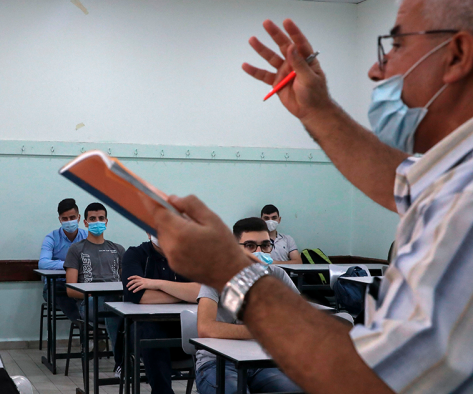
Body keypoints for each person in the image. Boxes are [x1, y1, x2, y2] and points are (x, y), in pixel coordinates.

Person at [151, 1, 473, 392]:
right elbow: (400, 181)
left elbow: (373, 381)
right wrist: (317, 111)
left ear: (456, 54)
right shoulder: (455, 173)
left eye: (396, 45)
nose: (376, 69)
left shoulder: (464, 209)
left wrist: (231, 269)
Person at [195, 218, 300, 394]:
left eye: (265, 245)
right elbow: (205, 327)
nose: (258, 252)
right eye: (250, 246)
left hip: (262, 362)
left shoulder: (277, 275)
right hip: (217, 362)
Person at [121, 233, 200, 394]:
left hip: (183, 331)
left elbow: (202, 291)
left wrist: (156, 284)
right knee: (152, 332)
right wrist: (182, 293)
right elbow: (139, 296)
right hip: (143, 332)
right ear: (149, 233)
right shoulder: (135, 254)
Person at [64, 202, 125, 374]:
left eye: (100, 218)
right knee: (112, 305)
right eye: (92, 219)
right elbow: (70, 290)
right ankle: (121, 362)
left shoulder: (118, 249)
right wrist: (95, 293)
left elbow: (127, 283)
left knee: (123, 306)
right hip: (88, 303)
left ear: (106, 221)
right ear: (85, 222)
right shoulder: (76, 249)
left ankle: (148, 362)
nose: (97, 222)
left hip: (115, 301)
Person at [38, 198, 88, 322]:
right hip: (56, 286)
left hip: (81, 284)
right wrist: (71, 266)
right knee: (61, 291)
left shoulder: (87, 237)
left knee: (94, 297)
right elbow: (43, 263)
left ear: (79, 217)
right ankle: (83, 326)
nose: (69, 221)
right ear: (60, 219)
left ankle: (86, 328)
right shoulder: (52, 238)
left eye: (72, 217)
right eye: (65, 219)